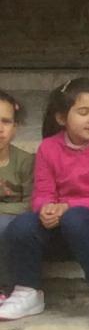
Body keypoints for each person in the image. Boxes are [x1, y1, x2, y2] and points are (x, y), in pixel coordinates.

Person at [0, 78, 89, 324]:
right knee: (23, 224)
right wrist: (46, 209)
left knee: (76, 217)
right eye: (84, 112)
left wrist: (68, 207)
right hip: (64, 229)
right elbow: (42, 194)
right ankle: (27, 291)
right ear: (61, 118)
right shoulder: (49, 148)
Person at [0, 89, 32, 240]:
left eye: (6, 121)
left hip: (14, 223)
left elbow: (31, 203)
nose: (0, 129)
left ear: (15, 127)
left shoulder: (26, 161)